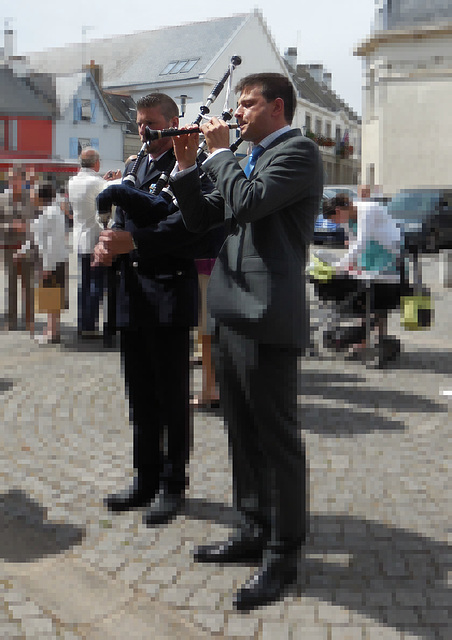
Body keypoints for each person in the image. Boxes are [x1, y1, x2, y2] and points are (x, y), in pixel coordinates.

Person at [171, 73, 323, 611]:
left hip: (267, 316)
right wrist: (189, 165)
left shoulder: (297, 151)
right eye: (236, 103)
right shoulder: (243, 157)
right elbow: (202, 218)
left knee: (275, 439)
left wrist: (217, 156)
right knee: (241, 433)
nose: (236, 112)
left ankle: (282, 553)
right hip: (232, 312)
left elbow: (248, 204)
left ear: (277, 107)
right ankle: (252, 530)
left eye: (247, 102)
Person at [92, 93, 218, 528]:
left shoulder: (191, 166)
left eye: (151, 122)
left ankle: (172, 485)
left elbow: (188, 228)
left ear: (173, 121)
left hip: (167, 293)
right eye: (141, 123)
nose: (145, 130)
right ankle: (144, 479)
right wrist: (107, 243)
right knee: (140, 397)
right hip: (131, 294)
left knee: (170, 399)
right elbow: (122, 221)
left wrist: (136, 242)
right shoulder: (136, 165)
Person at [319, 193, 402, 356]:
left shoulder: (367, 210)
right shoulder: (347, 218)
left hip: (386, 255)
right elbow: (352, 245)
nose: (335, 224)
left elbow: (361, 243)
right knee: (362, 299)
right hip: (368, 256)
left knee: (380, 301)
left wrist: (339, 266)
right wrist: (349, 265)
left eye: (333, 220)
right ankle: (362, 341)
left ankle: (380, 339)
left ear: (338, 211)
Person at [67, 148, 118, 337]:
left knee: (84, 284)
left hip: (79, 237)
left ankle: (83, 323)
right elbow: (107, 201)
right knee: (96, 283)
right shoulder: (98, 182)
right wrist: (109, 182)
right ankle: (91, 325)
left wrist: (104, 181)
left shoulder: (73, 182)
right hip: (94, 237)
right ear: (96, 163)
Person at [26, 182, 69, 343]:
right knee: (53, 298)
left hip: (51, 260)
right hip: (55, 259)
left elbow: (49, 243)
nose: (31, 197)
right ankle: (52, 329)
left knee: (51, 298)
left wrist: (46, 266)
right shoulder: (52, 211)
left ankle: (52, 332)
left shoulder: (49, 213)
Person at [0, 165, 36, 331]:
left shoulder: (31, 198)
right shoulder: (2, 199)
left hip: (27, 246)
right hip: (9, 246)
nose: (13, 182)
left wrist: (26, 227)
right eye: (10, 179)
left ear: (23, 180)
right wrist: (10, 226)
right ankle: (12, 320)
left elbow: (38, 222)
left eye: (16, 179)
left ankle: (29, 319)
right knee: (12, 285)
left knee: (28, 285)